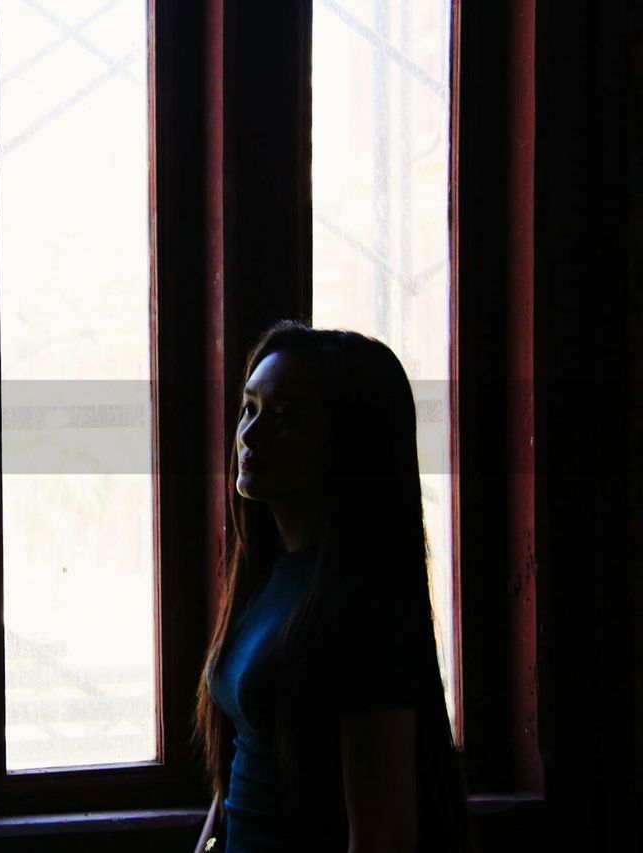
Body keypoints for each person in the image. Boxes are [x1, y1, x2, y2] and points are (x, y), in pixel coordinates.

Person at [191, 320, 472, 852]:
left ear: (345, 446)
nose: (249, 436)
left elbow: (383, 836)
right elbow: (240, 778)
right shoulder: (267, 581)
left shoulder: (363, 611)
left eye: (285, 419)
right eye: (248, 409)